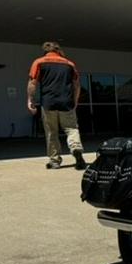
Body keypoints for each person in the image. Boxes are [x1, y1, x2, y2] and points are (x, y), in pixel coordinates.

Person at [27, 42, 86, 170]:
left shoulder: (39, 62)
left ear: (45, 51)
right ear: (59, 51)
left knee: (51, 132)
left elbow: (32, 82)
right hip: (66, 102)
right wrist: (75, 101)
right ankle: (76, 149)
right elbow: (76, 85)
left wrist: (30, 99)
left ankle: (54, 161)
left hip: (48, 103)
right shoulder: (69, 64)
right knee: (71, 129)